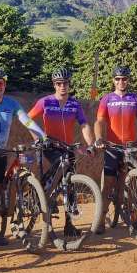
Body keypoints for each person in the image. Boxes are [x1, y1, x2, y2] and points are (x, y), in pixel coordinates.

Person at [0, 68, 45, 246]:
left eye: (1, 83)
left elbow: (26, 120)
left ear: (5, 85)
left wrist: (41, 136)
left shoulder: (12, 104)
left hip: (1, 153)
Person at [27, 67, 95, 237]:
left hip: (68, 146)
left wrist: (90, 144)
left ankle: (69, 225)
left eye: (65, 83)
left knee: (69, 185)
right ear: (54, 85)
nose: (62, 86)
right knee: (61, 162)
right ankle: (44, 190)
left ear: (69, 84)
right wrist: (38, 138)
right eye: (59, 83)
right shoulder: (45, 102)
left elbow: (84, 125)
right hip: (50, 145)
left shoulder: (74, 104)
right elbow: (27, 119)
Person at [93, 66, 137, 234]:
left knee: (130, 184)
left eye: (124, 79)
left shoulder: (135, 98)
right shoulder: (106, 99)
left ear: (128, 80)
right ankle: (101, 218)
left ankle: (134, 217)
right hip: (112, 147)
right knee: (107, 185)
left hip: (130, 147)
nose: (121, 82)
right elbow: (99, 121)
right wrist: (99, 138)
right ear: (113, 81)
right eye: (118, 79)